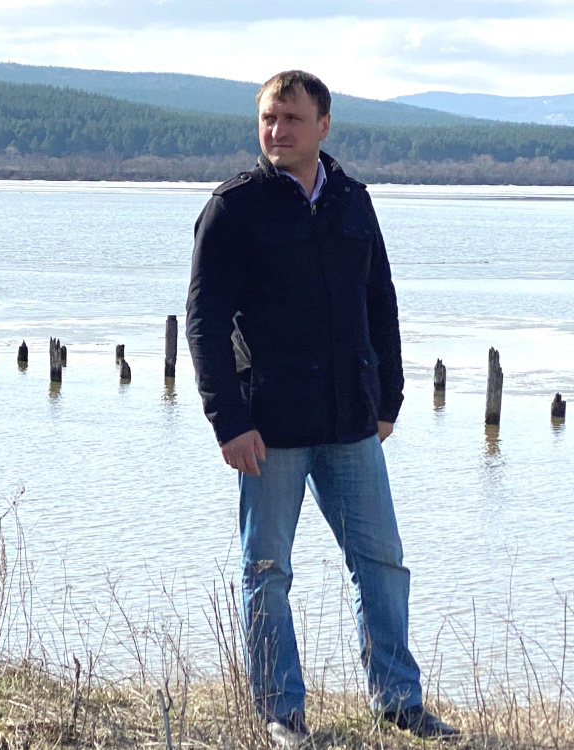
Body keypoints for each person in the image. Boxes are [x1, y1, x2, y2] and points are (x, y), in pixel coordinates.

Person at [185, 70, 458, 749]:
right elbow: (204, 323)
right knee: (267, 573)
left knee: (383, 563)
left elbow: (380, 304)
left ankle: (399, 703)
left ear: (324, 125)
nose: (277, 131)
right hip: (269, 427)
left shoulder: (353, 201)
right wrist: (228, 422)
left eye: (291, 119)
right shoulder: (233, 208)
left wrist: (388, 399)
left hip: (349, 422)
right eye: (268, 119)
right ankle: (282, 712)